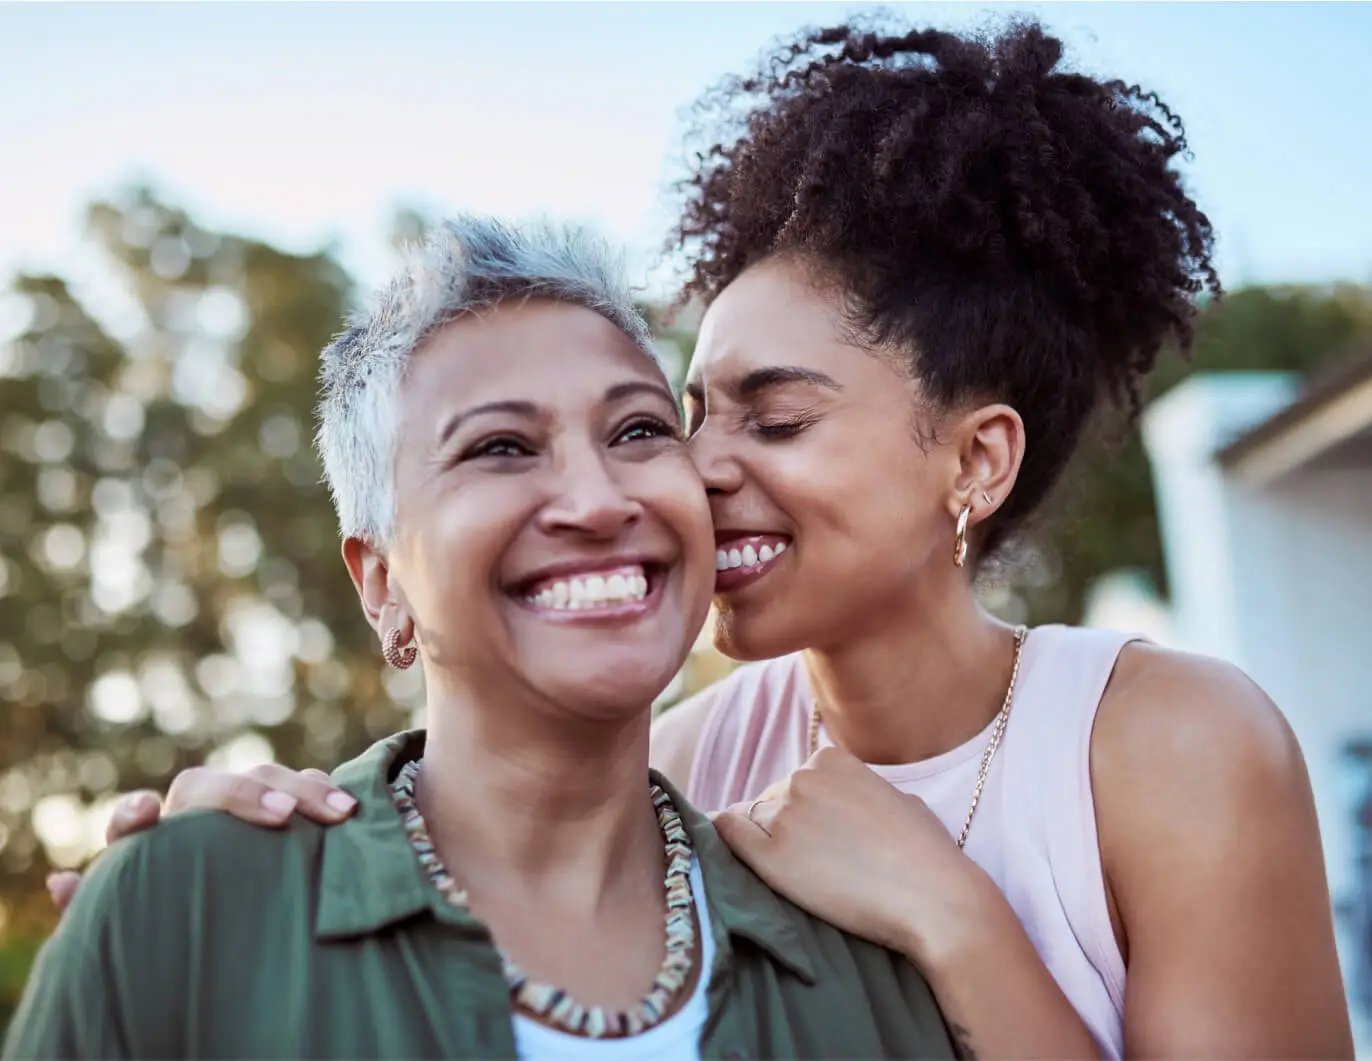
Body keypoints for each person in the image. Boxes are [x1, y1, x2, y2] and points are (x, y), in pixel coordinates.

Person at [45, 17, 1355, 1060]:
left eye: (775, 420)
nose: (696, 470)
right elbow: (469, 813)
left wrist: (955, 919)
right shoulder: (694, 760)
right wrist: (226, 845)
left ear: (976, 458)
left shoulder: (1169, 743)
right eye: (690, 413)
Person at [5, 216, 956, 1060]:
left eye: (637, 431)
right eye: (500, 447)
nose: (598, 499)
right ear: (382, 581)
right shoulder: (190, 913)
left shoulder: (852, 951)